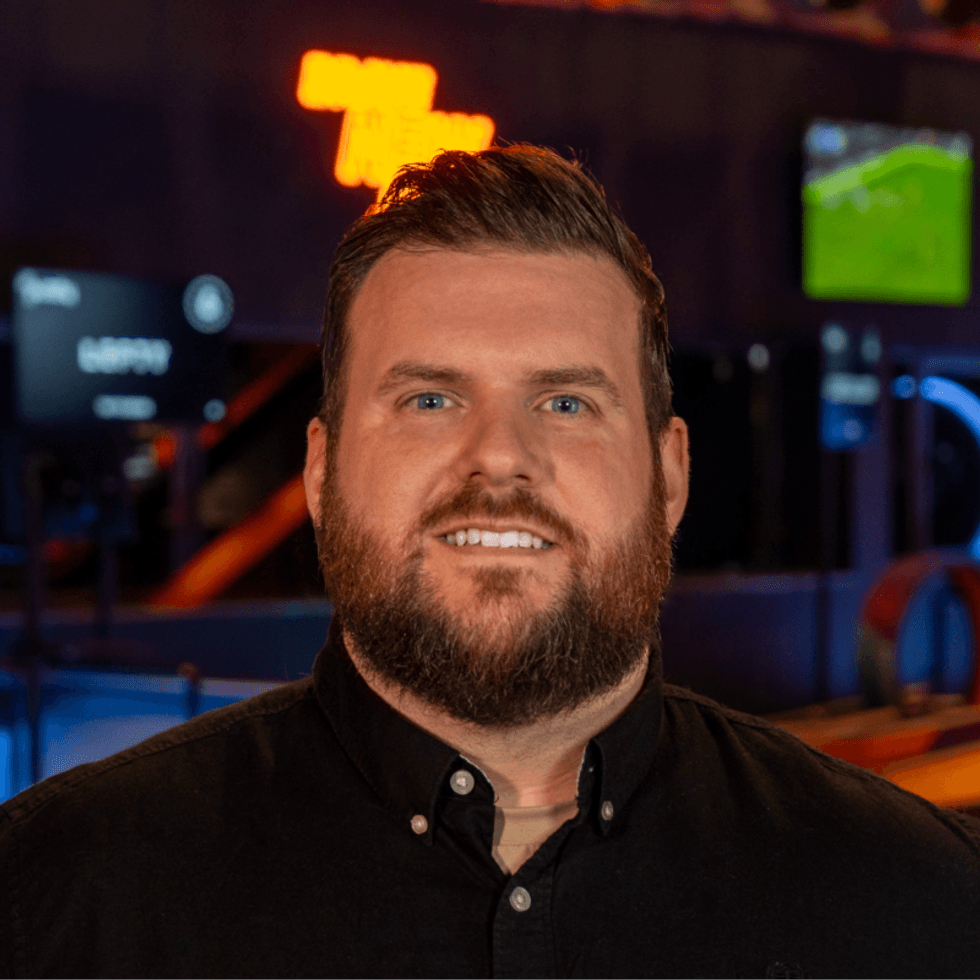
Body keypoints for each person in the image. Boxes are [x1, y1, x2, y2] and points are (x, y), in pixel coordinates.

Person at [2, 145, 979, 980]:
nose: (499, 455)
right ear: (317, 468)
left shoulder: (920, 900)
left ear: (669, 472)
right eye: (429, 399)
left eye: (564, 402)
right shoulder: (54, 893)